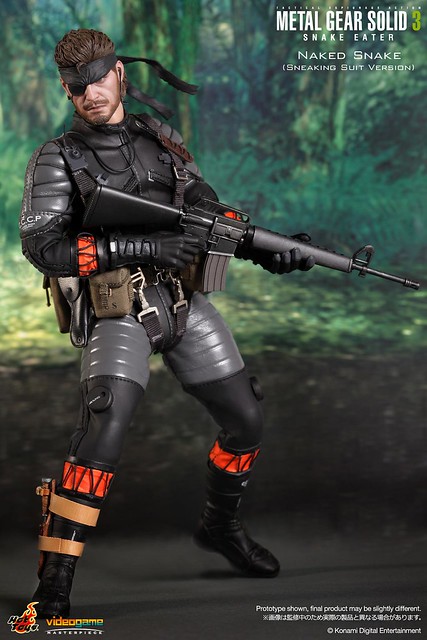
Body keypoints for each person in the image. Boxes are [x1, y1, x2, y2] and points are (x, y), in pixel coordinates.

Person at [20, 28, 314, 618]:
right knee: (103, 429)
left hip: (181, 301)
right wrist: (141, 248)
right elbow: (43, 247)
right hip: (117, 308)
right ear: (65, 90)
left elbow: (206, 210)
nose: (88, 93)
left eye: (97, 79)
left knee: (246, 417)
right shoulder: (59, 157)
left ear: (119, 73)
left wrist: (267, 250)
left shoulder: (160, 137)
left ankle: (220, 526)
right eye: (75, 86)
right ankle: (54, 578)